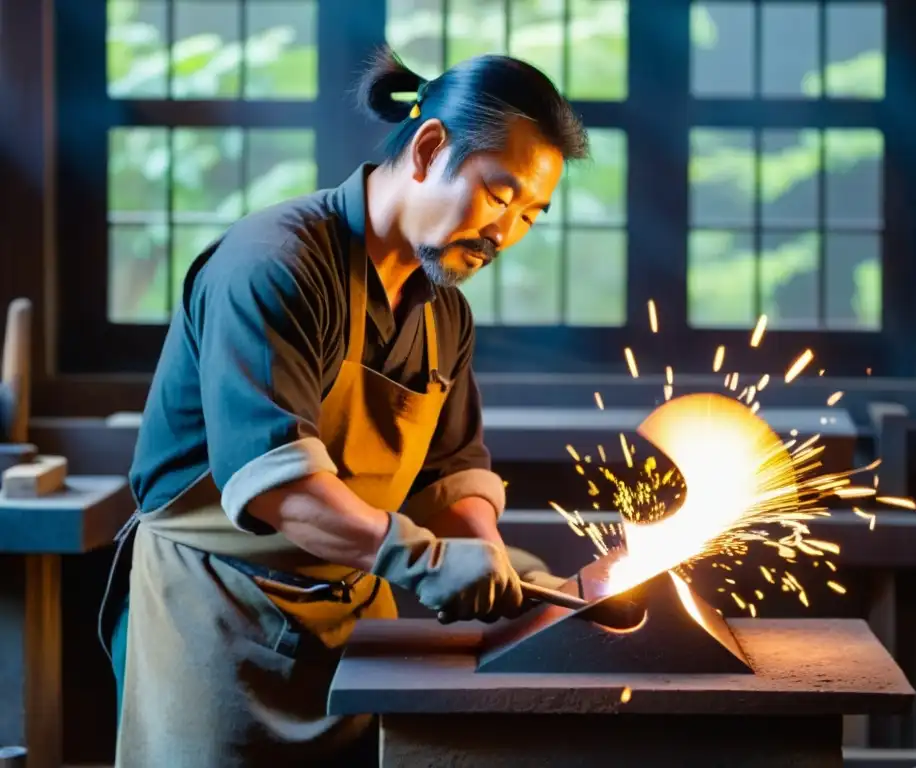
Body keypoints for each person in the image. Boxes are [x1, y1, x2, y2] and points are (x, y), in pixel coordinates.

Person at [97, 46, 589, 767]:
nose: (504, 233)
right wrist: (422, 559)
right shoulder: (274, 265)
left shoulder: (442, 313)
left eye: (530, 215)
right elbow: (280, 487)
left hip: (354, 623)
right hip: (213, 618)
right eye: (498, 194)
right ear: (427, 149)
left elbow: (451, 474)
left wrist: (481, 551)